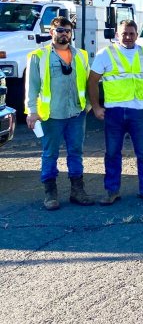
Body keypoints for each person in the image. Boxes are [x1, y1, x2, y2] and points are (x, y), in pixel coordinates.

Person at [25, 16, 94, 210]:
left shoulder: (81, 55)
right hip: (51, 115)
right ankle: (50, 194)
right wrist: (32, 112)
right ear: (51, 32)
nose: (64, 34)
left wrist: (88, 105)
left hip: (76, 114)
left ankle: (77, 191)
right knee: (50, 154)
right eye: (60, 30)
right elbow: (32, 87)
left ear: (71, 33)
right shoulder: (39, 56)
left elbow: (88, 82)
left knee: (76, 152)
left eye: (67, 31)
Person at [88, 19, 143, 204]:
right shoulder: (105, 53)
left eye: (131, 33)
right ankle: (112, 191)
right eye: (124, 33)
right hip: (114, 112)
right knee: (112, 153)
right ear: (117, 35)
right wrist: (96, 107)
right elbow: (92, 81)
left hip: (140, 112)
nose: (128, 37)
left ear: (137, 35)